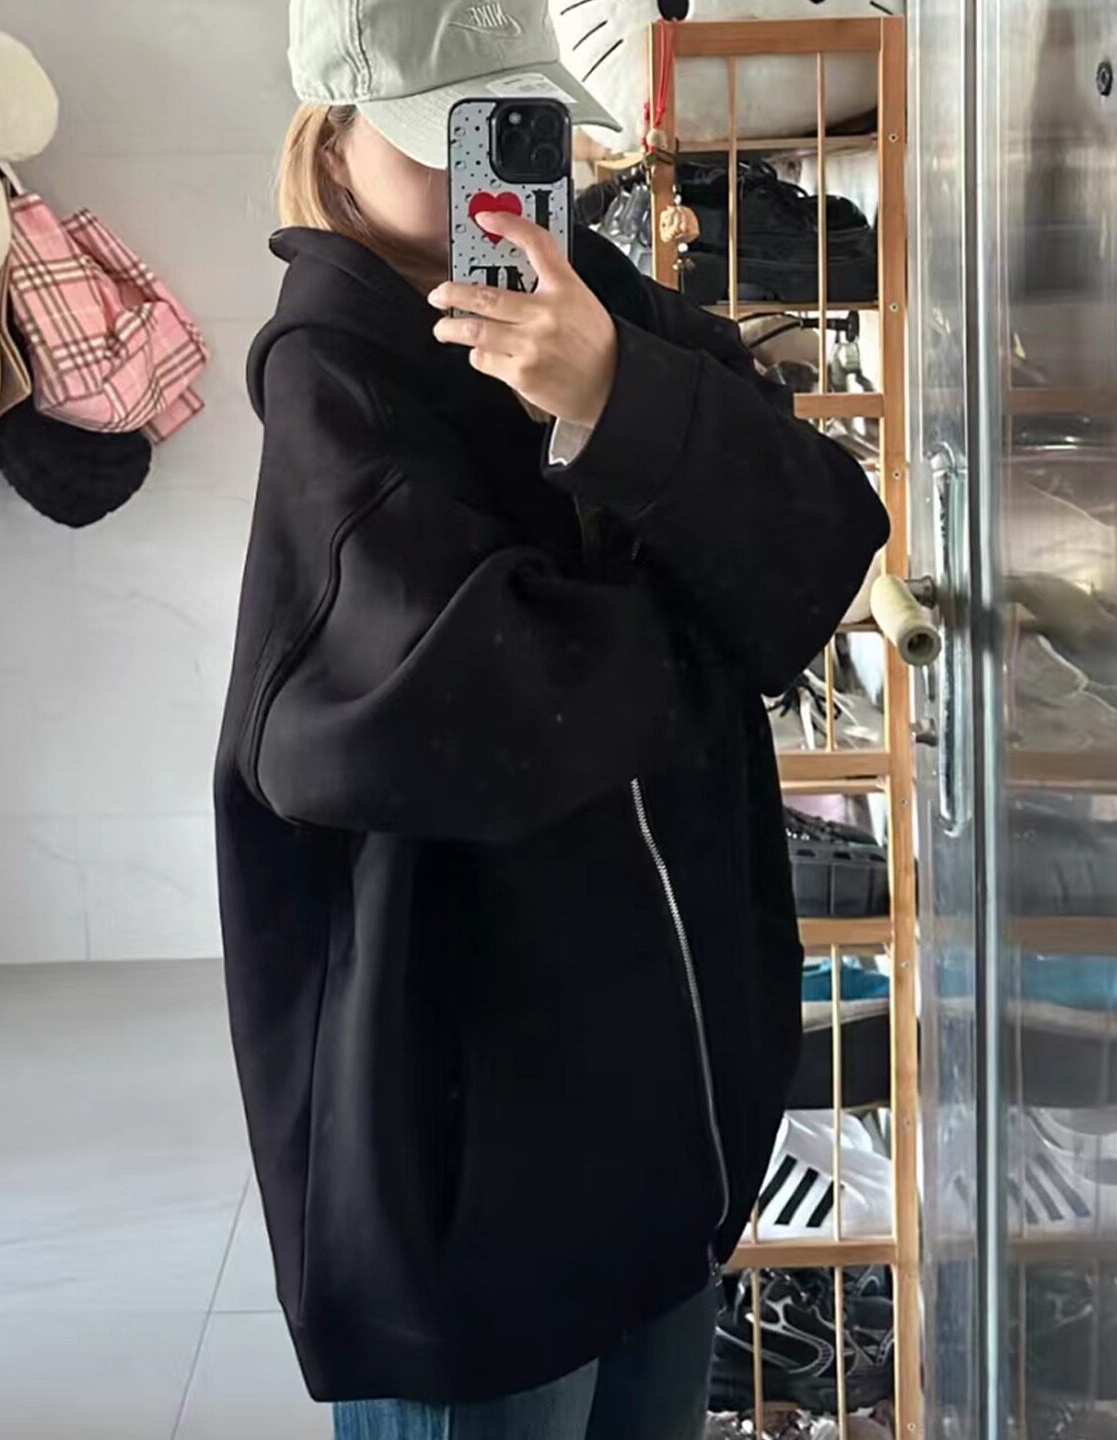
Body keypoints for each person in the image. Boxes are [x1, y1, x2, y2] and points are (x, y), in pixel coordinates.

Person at [214, 1, 890, 1434]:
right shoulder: (334, 378)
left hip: (673, 1154)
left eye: (513, 132)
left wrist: (615, 392)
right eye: (446, 139)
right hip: (479, 1202)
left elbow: (827, 535)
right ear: (334, 149)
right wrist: (715, 635)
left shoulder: (603, 307)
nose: (495, 183)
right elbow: (482, 713)